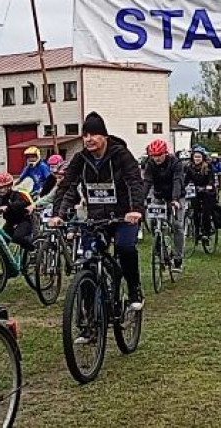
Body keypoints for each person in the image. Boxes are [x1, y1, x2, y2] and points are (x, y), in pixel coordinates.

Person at [49, 111, 146, 312]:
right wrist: (58, 214)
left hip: (122, 216)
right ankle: (89, 319)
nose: (88, 139)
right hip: (95, 218)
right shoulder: (81, 159)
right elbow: (67, 186)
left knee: (125, 247)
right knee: (87, 261)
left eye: (93, 134)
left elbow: (134, 182)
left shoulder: (121, 155)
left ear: (105, 137)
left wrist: (135, 209)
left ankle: (134, 287)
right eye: (85, 135)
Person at [143, 139, 187, 272]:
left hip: (176, 196)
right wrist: (140, 199)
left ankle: (178, 258)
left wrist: (175, 199)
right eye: (154, 156)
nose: (156, 158)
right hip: (159, 196)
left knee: (177, 225)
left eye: (159, 155)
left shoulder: (175, 163)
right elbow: (147, 181)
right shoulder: (150, 164)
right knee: (153, 222)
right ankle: (159, 250)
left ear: (165, 153)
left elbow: (177, 180)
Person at [0, 172, 35, 251]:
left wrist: (8, 207)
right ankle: (5, 262)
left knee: (17, 237)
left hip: (23, 221)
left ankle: (33, 250)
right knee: (2, 243)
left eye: (2, 187)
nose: (0, 190)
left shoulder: (16, 195)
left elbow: (21, 203)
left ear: (9, 186)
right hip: (10, 223)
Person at [186, 146, 217, 240]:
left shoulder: (208, 167)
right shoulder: (190, 168)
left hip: (207, 193)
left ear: (203, 158)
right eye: (195, 157)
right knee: (195, 212)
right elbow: (186, 180)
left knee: (205, 212)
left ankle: (206, 232)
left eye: (199, 157)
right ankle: (196, 231)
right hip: (195, 193)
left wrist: (209, 186)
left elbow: (211, 179)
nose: (197, 159)